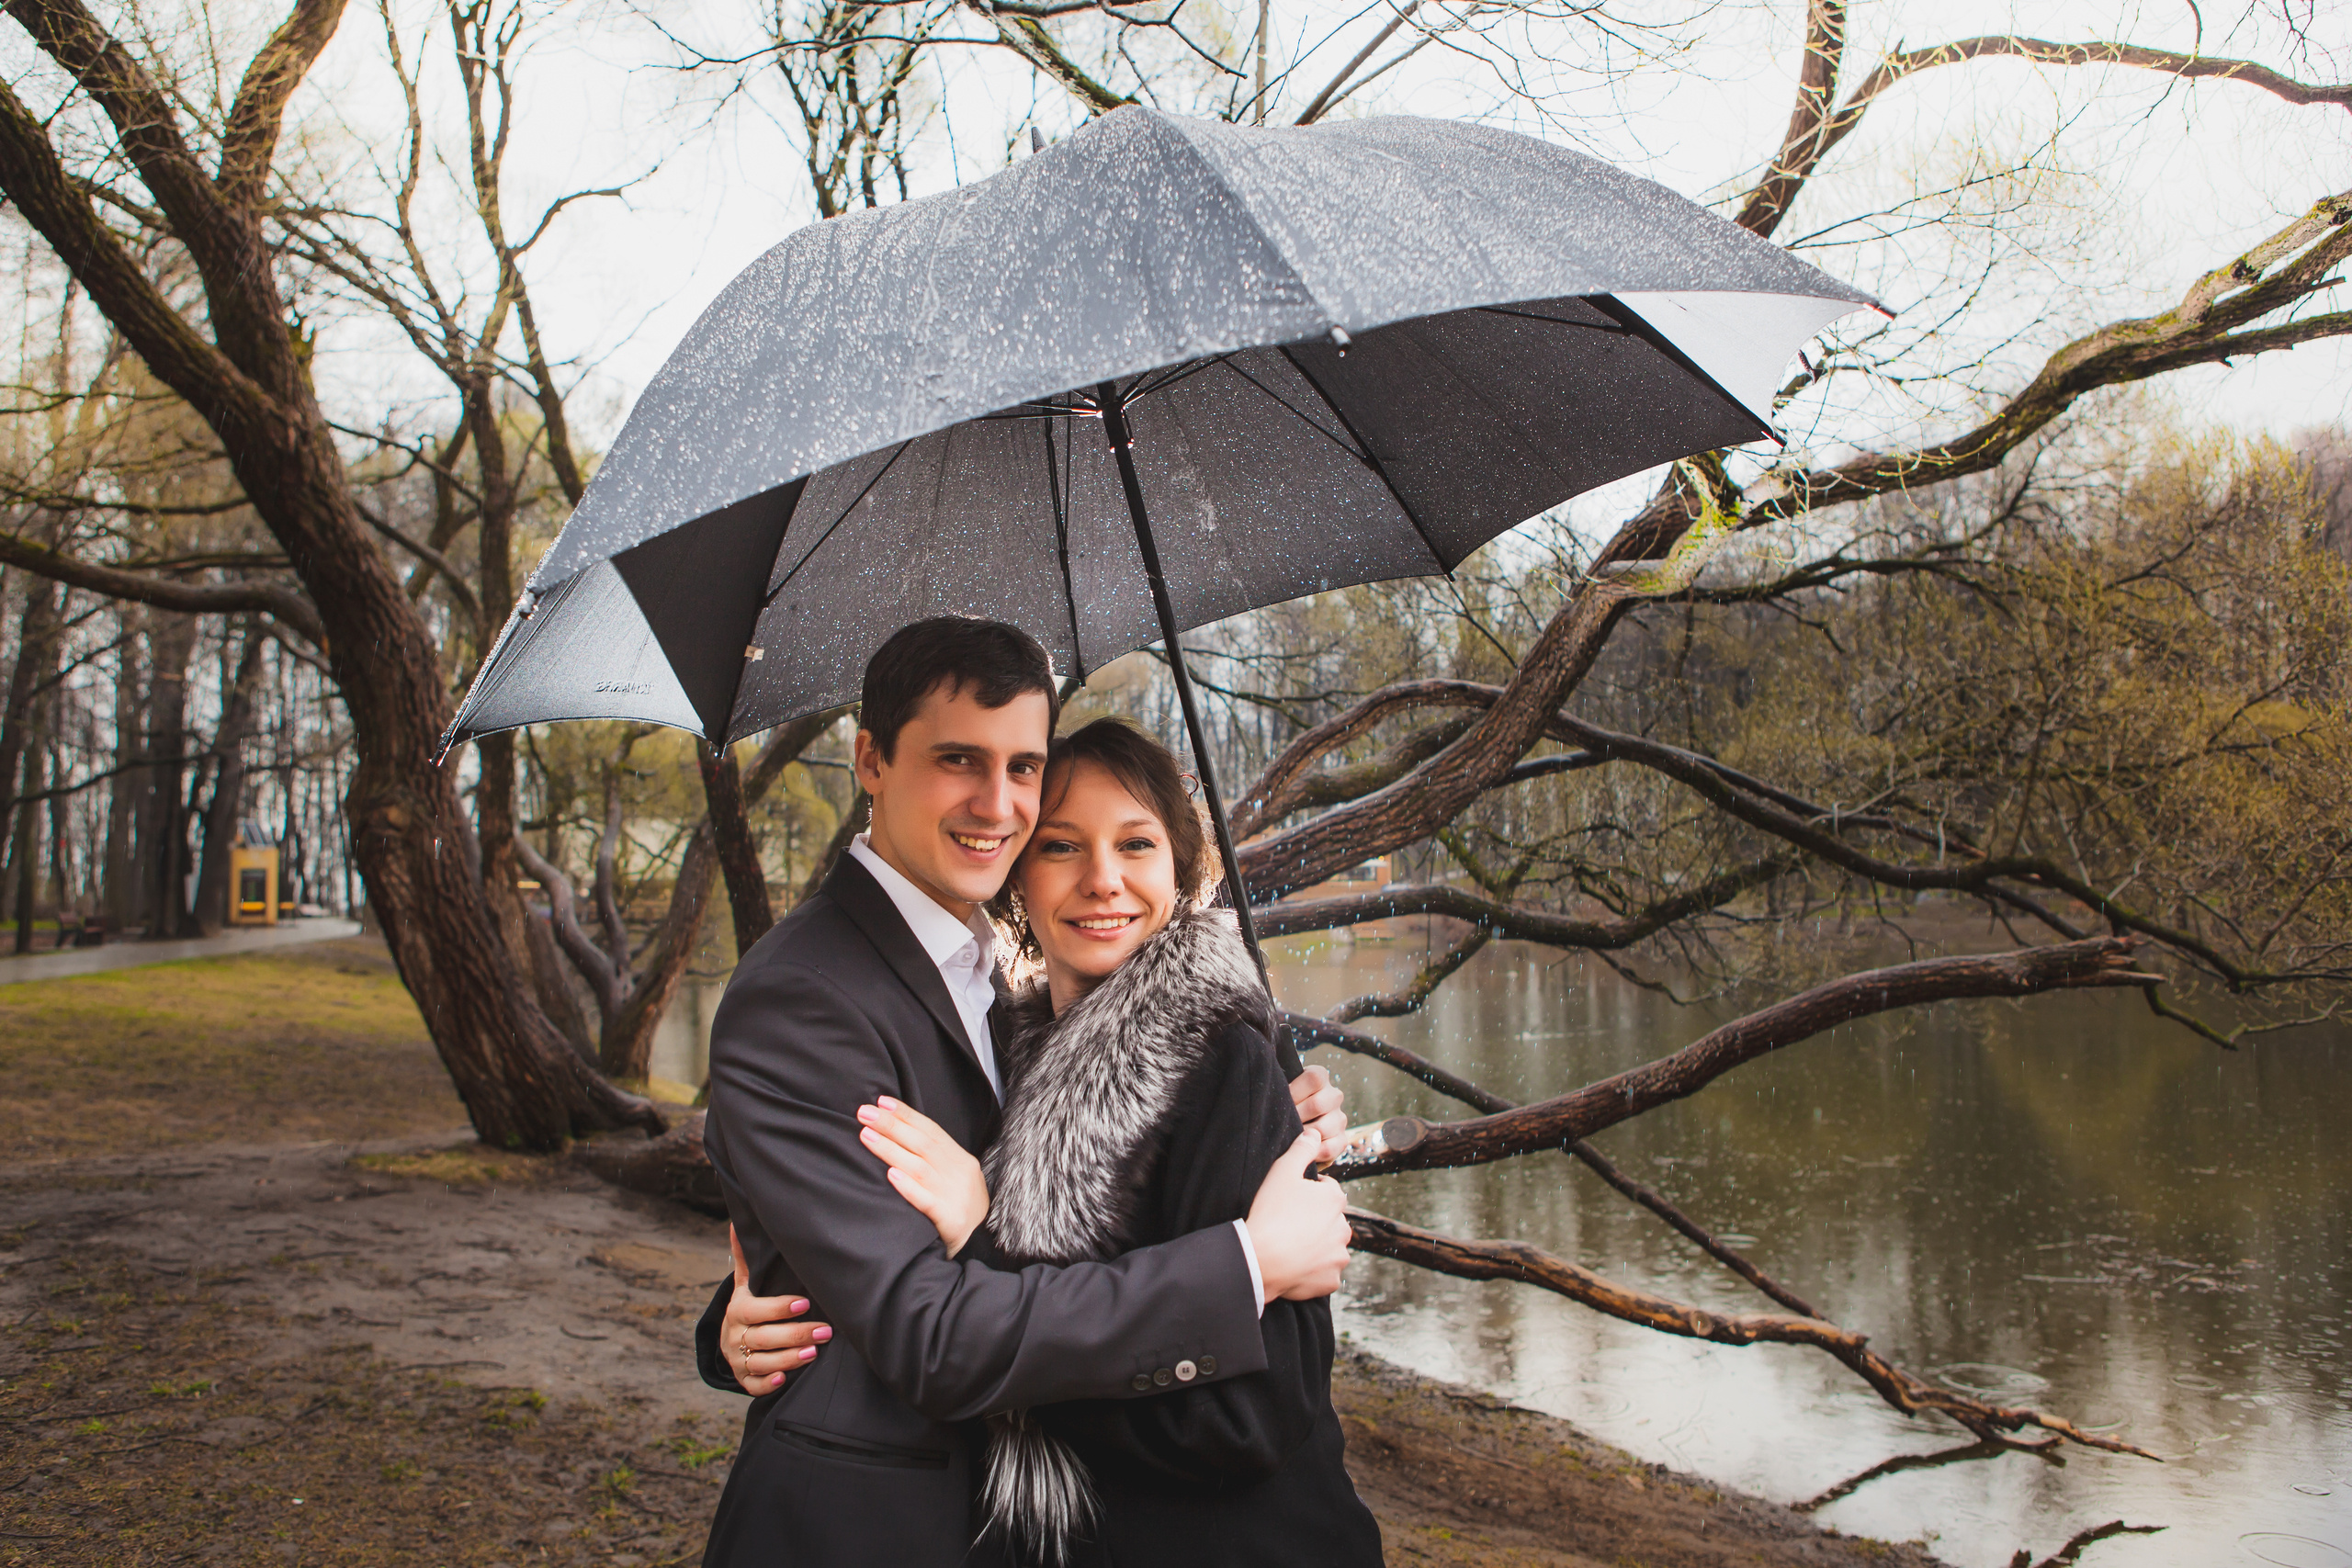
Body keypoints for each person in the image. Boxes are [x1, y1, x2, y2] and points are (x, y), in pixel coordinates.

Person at [694, 617, 1357, 1568]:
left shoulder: (1001, 993)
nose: (994, 802)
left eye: (1021, 768)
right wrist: (1248, 1263)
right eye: (958, 759)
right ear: (870, 760)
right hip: (875, 1526)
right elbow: (925, 1321)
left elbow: (1016, 1210)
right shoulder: (804, 992)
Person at [853, 716, 1385, 1565]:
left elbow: (1247, 1422)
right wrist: (742, 1323)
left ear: (1180, 866)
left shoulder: (1227, 1065)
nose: (1104, 880)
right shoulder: (992, 1057)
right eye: (1062, 847)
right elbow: (888, 1265)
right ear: (1017, 875)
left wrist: (989, 1263)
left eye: (1136, 844)